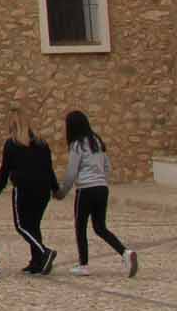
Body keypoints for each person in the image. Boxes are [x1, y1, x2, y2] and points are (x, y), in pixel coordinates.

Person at [58, 110, 135, 277]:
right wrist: (101, 181)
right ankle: (125, 253)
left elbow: (71, 172)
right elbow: (107, 166)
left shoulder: (77, 145)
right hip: (102, 188)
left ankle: (83, 264)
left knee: (80, 227)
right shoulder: (97, 142)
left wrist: (61, 192)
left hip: (85, 190)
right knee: (100, 227)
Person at [0, 110, 58, 274]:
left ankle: (44, 252)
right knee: (33, 225)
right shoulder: (42, 143)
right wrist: (55, 187)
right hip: (43, 190)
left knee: (21, 226)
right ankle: (37, 261)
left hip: (24, 189)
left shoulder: (12, 144)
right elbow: (49, 168)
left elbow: (5, 168)